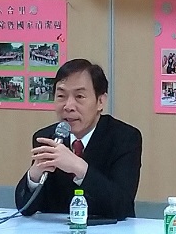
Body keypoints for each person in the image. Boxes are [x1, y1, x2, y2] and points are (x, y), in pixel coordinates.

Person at [14, 58, 142, 220]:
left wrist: (79, 168)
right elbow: (25, 208)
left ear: (100, 101)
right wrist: (34, 175)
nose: (68, 106)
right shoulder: (47, 137)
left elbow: (122, 205)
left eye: (79, 96)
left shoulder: (125, 138)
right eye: (61, 96)